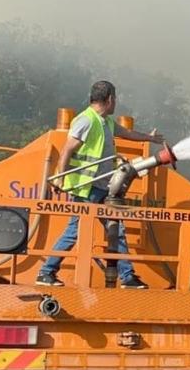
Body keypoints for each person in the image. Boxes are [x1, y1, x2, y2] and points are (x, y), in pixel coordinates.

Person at [37, 80, 165, 289]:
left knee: (116, 229)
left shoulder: (105, 122)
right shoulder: (86, 120)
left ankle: (127, 277)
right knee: (74, 231)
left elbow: (127, 133)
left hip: (102, 188)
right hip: (86, 188)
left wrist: (149, 138)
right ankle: (46, 272)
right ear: (110, 99)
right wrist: (60, 177)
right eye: (116, 99)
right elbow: (67, 149)